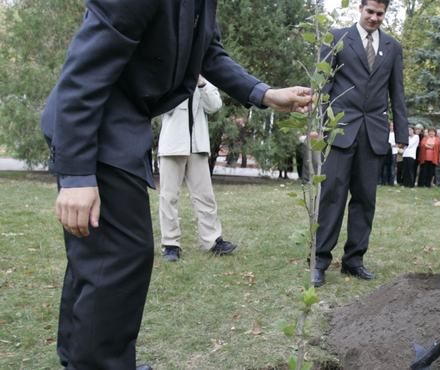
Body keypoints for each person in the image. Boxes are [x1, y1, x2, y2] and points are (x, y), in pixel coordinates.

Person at [40, 1, 312, 368]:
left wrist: (263, 93)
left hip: (119, 126)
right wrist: (75, 175)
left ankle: (83, 358)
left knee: (101, 258)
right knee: (120, 258)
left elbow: (208, 52)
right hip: (94, 127)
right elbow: (84, 69)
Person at [313, 0, 409, 287]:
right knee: (333, 195)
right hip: (341, 129)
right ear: (360, 8)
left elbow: (397, 92)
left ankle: (354, 260)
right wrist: (319, 126)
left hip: (374, 133)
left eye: (380, 14)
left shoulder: (392, 47)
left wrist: (401, 134)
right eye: (370, 12)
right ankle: (319, 260)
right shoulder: (337, 37)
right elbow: (323, 85)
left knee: (365, 199)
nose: (374, 18)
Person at [158, 76, 237, 262]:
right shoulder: (170, 75)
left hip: (198, 145)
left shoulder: (204, 79)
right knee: (168, 196)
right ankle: (170, 244)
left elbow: (214, 105)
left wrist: (200, 82)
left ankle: (212, 240)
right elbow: (163, 106)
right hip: (172, 145)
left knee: (205, 195)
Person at [380, 121, 398, 186]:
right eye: (391, 125)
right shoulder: (387, 133)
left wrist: (391, 145)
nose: (392, 127)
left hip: (394, 152)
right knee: (385, 167)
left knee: (392, 167)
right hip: (387, 152)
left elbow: (397, 144)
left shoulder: (396, 134)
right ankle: (384, 181)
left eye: (393, 126)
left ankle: (391, 182)